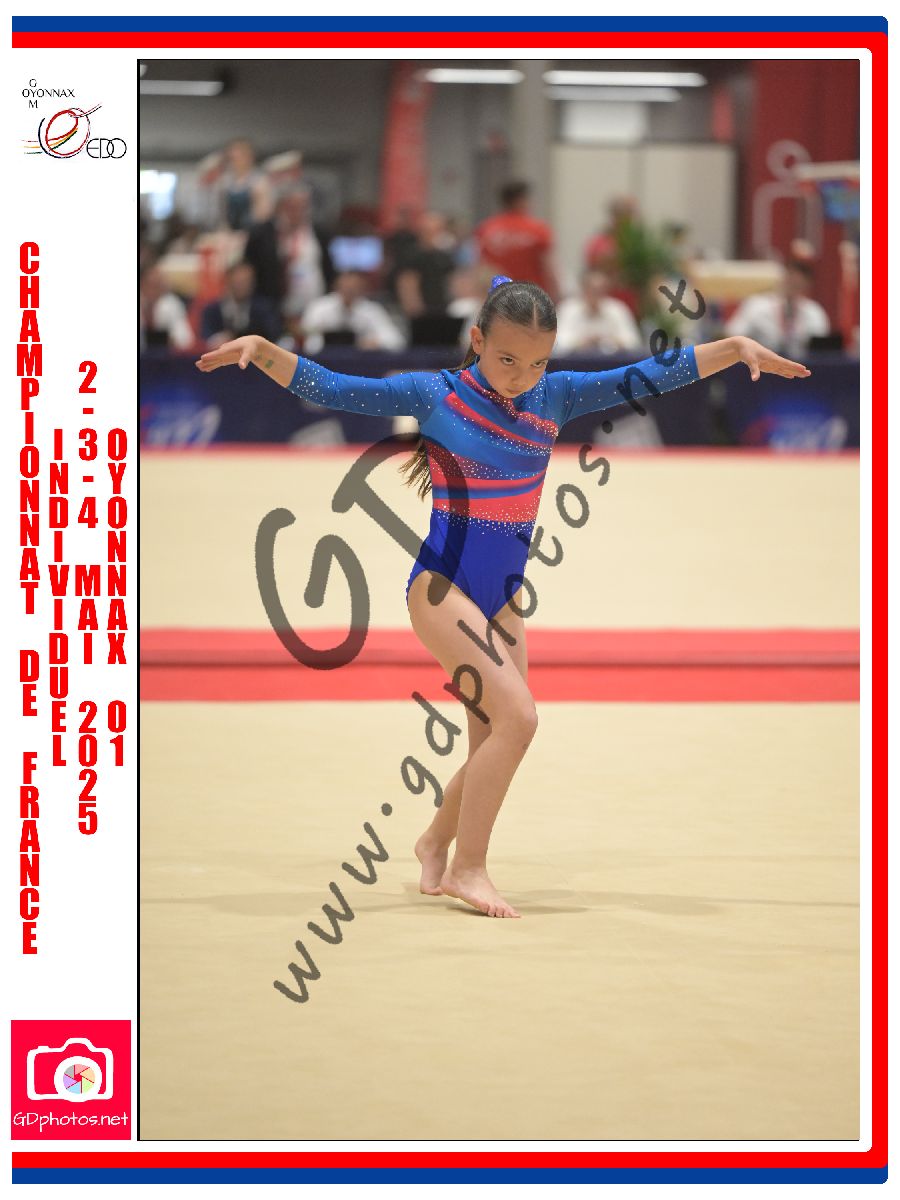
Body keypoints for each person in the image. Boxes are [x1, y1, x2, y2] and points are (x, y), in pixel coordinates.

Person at [195, 277, 810, 920]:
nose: (521, 377)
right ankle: (469, 867)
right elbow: (338, 388)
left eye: (537, 362)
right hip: (443, 589)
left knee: (493, 736)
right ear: (477, 340)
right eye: (507, 359)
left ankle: (435, 842)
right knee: (520, 719)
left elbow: (649, 374)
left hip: (504, 600)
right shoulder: (436, 394)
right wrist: (264, 350)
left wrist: (732, 347)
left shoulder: (556, 396)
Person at [724, 260, 830, 359]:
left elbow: (822, 348)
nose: (793, 284)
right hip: (761, 363)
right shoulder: (756, 305)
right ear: (782, 279)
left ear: (807, 284)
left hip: (801, 365)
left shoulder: (814, 311)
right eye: (790, 279)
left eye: (798, 283)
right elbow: (733, 335)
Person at [475, 182, 558, 298]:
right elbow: (548, 266)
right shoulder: (538, 230)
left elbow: (482, 267)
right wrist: (556, 294)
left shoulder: (486, 229)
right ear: (520, 200)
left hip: (500, 298)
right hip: (532, 297)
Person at [299, 270, 405, 353]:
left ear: (362, 289)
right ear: (336, 286)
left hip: (360, 363)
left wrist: (375, 343)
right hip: (322, 362)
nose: (349, 291)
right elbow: (306, 339)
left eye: (354, 288)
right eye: (345, 287)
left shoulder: (372, 310)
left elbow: (396, 341)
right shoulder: (319, 308)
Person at [553, 269, 643, 354]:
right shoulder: (567, 309)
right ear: (583, 289)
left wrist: (613, 341)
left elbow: (634, 343)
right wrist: (581, 342)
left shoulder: (618, 309)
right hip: (573, 363)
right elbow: (556, 344)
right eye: (592, 289)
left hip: (613, 362)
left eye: (601, 289)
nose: (596, 294)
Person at [200, 261, 282, 347]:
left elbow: (274, 333)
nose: (242, 286)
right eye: (238, 282)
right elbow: (205, 336)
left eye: (246, 281)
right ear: (228, 281)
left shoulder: (264, 308)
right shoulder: (212, 310)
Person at [140, 264, 195, 351]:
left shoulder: (172, 303)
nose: (153, 289)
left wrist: (170, 339)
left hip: (164, 354)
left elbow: (185, 339)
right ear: (141, 283)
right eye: (150, 284)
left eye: (158, 285)